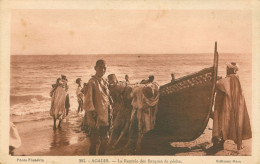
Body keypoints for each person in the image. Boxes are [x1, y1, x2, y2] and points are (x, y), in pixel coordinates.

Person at [206, 62, 252, 154]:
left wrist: (215, 80)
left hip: (227, 106)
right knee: (232, 124)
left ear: (230, 69)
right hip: (236, 106)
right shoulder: (236, 78)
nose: (226, 70)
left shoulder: (229, 79)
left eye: (227, 69)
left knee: (222, 123)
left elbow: (219, 85)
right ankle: (224, 143)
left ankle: (219, 144)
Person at [83, 59, 113, 155]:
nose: (103, 70)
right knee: (94, 142)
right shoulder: (92, 82)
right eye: (100, 67)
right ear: (95, 68)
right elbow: (88, 101)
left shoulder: (104, 81)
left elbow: (107, 98)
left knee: (105, 140)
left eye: (104, 68)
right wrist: (92, 116)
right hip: (96, 118)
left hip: (105, 117)